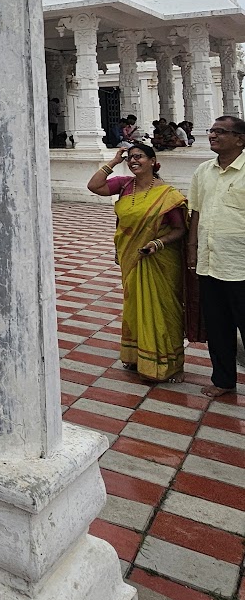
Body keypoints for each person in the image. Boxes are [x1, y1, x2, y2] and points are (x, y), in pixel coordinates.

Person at [88, 140, 189, 383]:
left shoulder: (168, 194)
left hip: (160, 260)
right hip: (130, 256)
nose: (134, 161)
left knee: (163, 310)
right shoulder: (124, 186)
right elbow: (94, 186)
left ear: (153, 162)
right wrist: (114, 161)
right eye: (130, 157)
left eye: (140, 156)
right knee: (135, 307)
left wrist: (157, 244)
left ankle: (170, 364)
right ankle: (136, 357)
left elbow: (180, 229)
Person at [187, 116, 245, 399]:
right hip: (210, 263)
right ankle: (223, 380)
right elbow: (196, 211)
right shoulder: (203, 170)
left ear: (240, 139)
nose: (212, 135)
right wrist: (192, 249)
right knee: (219, 327)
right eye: (211, 130)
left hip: (241, 265)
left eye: (221, 131)